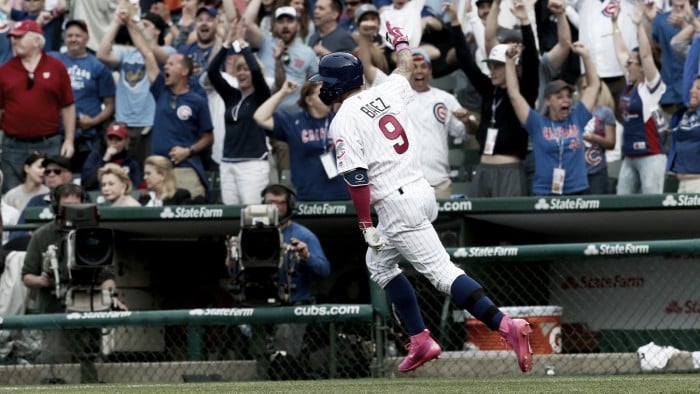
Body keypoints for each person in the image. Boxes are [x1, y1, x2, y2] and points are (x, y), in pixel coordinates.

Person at [309, 24, 532, 373]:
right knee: (380, 265)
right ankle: (420, 340)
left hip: (397, 204)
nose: (320, 86)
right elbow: (405, 66)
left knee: (443, 274)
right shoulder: (387, 91)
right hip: (420, 190)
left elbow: (356, 177)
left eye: (324, 80)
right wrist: (401, 42)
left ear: (336, 83)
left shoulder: (343, 119)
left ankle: (505, 325)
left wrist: (365, 222)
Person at [21, 183, 126, 365]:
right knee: (56, 361)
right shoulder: (42, 235)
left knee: (92, 362)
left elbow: (107, 275)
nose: (72, 211)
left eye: (76, 206)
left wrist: (111, 296)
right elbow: (27, 276)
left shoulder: (95, 235)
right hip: (55, 309)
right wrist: (42, 280)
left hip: (91, 306)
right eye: (66, 207)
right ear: (56, 207)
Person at [448, 1, 538, 197]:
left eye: (498, 66)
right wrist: (455, 22)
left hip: (510, 170)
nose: (492, 70)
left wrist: (525, 21)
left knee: (509, 226)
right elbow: (465, 61)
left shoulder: (525, 92)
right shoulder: (490, 89)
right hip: (483, 169)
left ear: (510, 65)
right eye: (490, 65)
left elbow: (532, 62)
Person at [127, 4, 214, 202]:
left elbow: (208, 137)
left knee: (189, 216)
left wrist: (188, 150)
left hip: (186, 168)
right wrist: (131, 23)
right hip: (158, 172)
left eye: (171, 64)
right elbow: (147, 53)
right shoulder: (161, 90)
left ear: (184, 71)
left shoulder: (197, 101)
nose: (166, 66)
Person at [505, 42, 600, 196]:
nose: (566, 101)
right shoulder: (537, 123)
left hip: (577, 190)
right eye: (559, 97)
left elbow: (594, 86)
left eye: (568, 96)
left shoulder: (577, 117)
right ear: (548, 101)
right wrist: (510, 63)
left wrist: (586, 56)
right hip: (545, 192)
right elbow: (514, 95)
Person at [96, 5, 177, 169]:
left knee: (149, 171)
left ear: (158, 31)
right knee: (121, 173)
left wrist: (133, 22)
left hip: (150, 124)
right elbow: (102, 54)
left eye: (146, 25)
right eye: (141, 24)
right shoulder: (127, 54)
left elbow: (150, 50)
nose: (141, 28)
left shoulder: (168, 51)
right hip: (123, 123)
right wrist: (117, 22)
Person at [0, 19, 75, 194]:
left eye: (19, 37)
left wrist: (69, 139)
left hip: (48, 143)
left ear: (36, 41)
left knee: (51, 194)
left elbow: (68, 105)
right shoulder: (4, 71)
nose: (14, 41)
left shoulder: (56, 67)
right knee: (13, 194)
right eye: (13, 37)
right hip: (13, 145)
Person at [207, 19, 271, 205]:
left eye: (246, 69)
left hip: (253, 163)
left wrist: (244, 46)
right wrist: (226, 43)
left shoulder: (262, 96)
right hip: (227, 163)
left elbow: (257, 72)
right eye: (238, 69)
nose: (242, 73)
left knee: (253, 215)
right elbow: (212, 72)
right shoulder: (231, 96)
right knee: (231, 217)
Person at [253, 80, 349, 201]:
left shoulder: (340, 118)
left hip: (342, 194)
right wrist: (283, 92)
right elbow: (260, 117)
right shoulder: (294, 122)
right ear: (309, 100)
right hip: (307, 197)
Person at [612, 4, 667, 195]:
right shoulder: (630, 83)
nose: (627, 64)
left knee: (651, 203)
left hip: (651, 155)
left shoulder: (651, 87)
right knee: (621, 200)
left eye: (631, 62)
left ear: (642, 67)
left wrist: (638, 26)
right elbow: (620, 51)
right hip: (630, 156)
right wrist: (614, 23)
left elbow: (645, 54)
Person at [49, 19, 116, 171]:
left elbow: (110, 104)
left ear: (86, 38)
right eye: (69, 35)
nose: (73, 39)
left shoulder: (98, 67)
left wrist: (93, 121)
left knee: (87, 177)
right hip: (56, 133)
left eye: (78, 35)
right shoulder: (54, 60)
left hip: (87, 135)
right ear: (64, 38)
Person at [666, 32, 700, 192]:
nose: (692, 91)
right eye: (693, 87)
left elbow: (690, 71)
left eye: (698, 88)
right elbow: (689, 72)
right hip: (682, 184)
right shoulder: (685, 113)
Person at [577, 77, 617, 195]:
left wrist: (593, 138)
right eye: (584, 88)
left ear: (598, 91)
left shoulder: (605, 112)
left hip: (597, 170)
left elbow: (611, 143)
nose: (588, 91)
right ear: (579, 92)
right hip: (575, 172)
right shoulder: (572, 112)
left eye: (591, 87)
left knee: (597, 209)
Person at [81, 121, 142, 192]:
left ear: (127, 141)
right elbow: (86, 184)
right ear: (106, 139)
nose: (113, 142)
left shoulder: (131, 161)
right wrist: (104, 160)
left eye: (118, 139)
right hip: (97, 197)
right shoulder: (95, 156)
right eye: (110, 138)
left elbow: (135, 187)